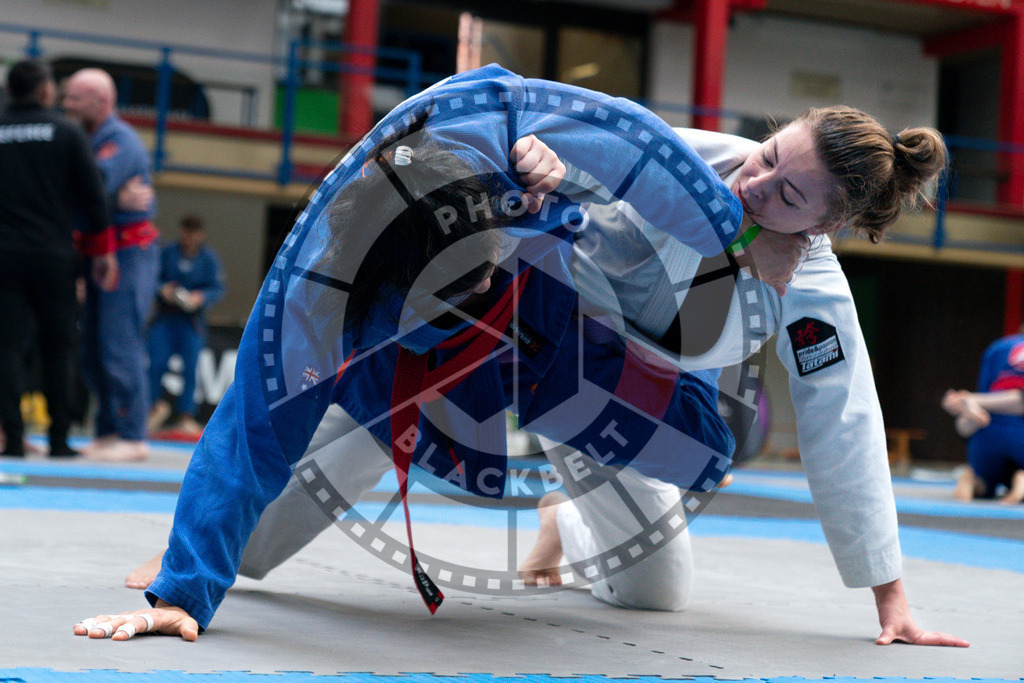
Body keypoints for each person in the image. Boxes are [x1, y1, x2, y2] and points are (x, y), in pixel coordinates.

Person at [121, 106, 966, 648]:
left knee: (656, 596)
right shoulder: (663, 151)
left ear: (829, 225)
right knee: (279, 519)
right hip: (508, 340)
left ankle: (565, 520)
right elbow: (502, 120)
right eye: (769, 154)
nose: (755, 182)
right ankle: (206, 551)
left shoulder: (810, 285)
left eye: (788, 196)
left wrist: (888, 596)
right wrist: (186, 570)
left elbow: (842, 417)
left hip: (619, 405)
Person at [0, 59, 117, 457]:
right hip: (52, 256)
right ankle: (59, 439)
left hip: (4, 256)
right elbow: (94, 197)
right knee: (59, 346)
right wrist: (103, 252)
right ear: (46, 92)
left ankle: (12, 439)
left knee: (7, 346)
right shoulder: (65, 132)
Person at [61, 67, 160, 462]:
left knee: (120, 343)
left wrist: (106, 200)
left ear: (101, 102)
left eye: (74, 99)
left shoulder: (119, 141)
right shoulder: (85, 139)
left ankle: (133, 434)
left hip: (126, 254)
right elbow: (92, 195)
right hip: (97, 252)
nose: (66, 105)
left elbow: (88, 191)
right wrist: (110, 200)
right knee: (93, 348)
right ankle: (107, 430)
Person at [147, 214, 226, 435]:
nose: (189, 238)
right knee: (155, 364)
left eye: (193, 234)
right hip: (166, 318)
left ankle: (185, 416)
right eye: (186, 233)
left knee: (190, 368)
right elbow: (154, 278)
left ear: (200, 234)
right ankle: (153, 409)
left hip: (191, 321)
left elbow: (217, 288)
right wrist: (163, 290)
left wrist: (201, 297)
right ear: (182, 231)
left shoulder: (209, 258)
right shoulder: (169, 252)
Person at [942, 325, 1024, 504]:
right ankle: (1021, 480)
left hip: (986, 431)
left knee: (985, 484)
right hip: (1019, 432)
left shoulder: (997, 348)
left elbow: (985, 392)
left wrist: (968, 400)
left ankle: (974, 480)